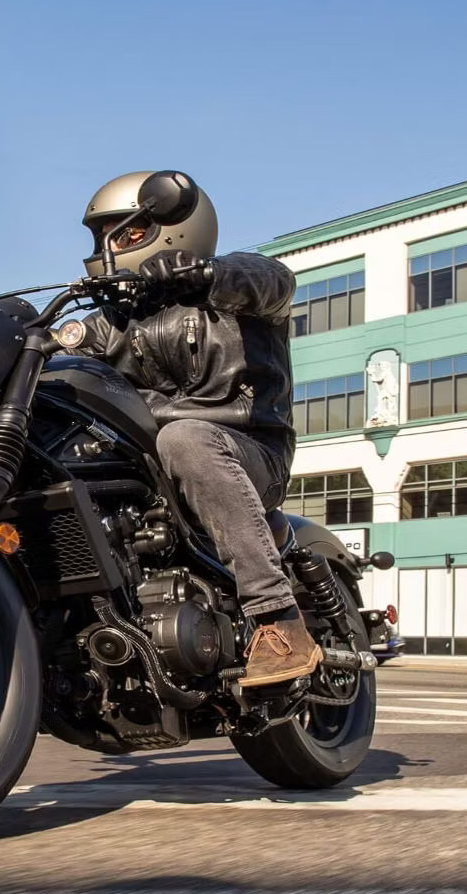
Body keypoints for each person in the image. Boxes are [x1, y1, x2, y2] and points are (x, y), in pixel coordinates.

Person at [79, 171, 321, 688]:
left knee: (184, 436)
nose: (107, 248)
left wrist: (205, 276)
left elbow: (274, 281)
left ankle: (277, 617)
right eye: (100, 237)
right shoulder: (107, 325)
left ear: (170, 228)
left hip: (248, 450)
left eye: (121, 235)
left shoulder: (235, 288)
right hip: (153, 471)